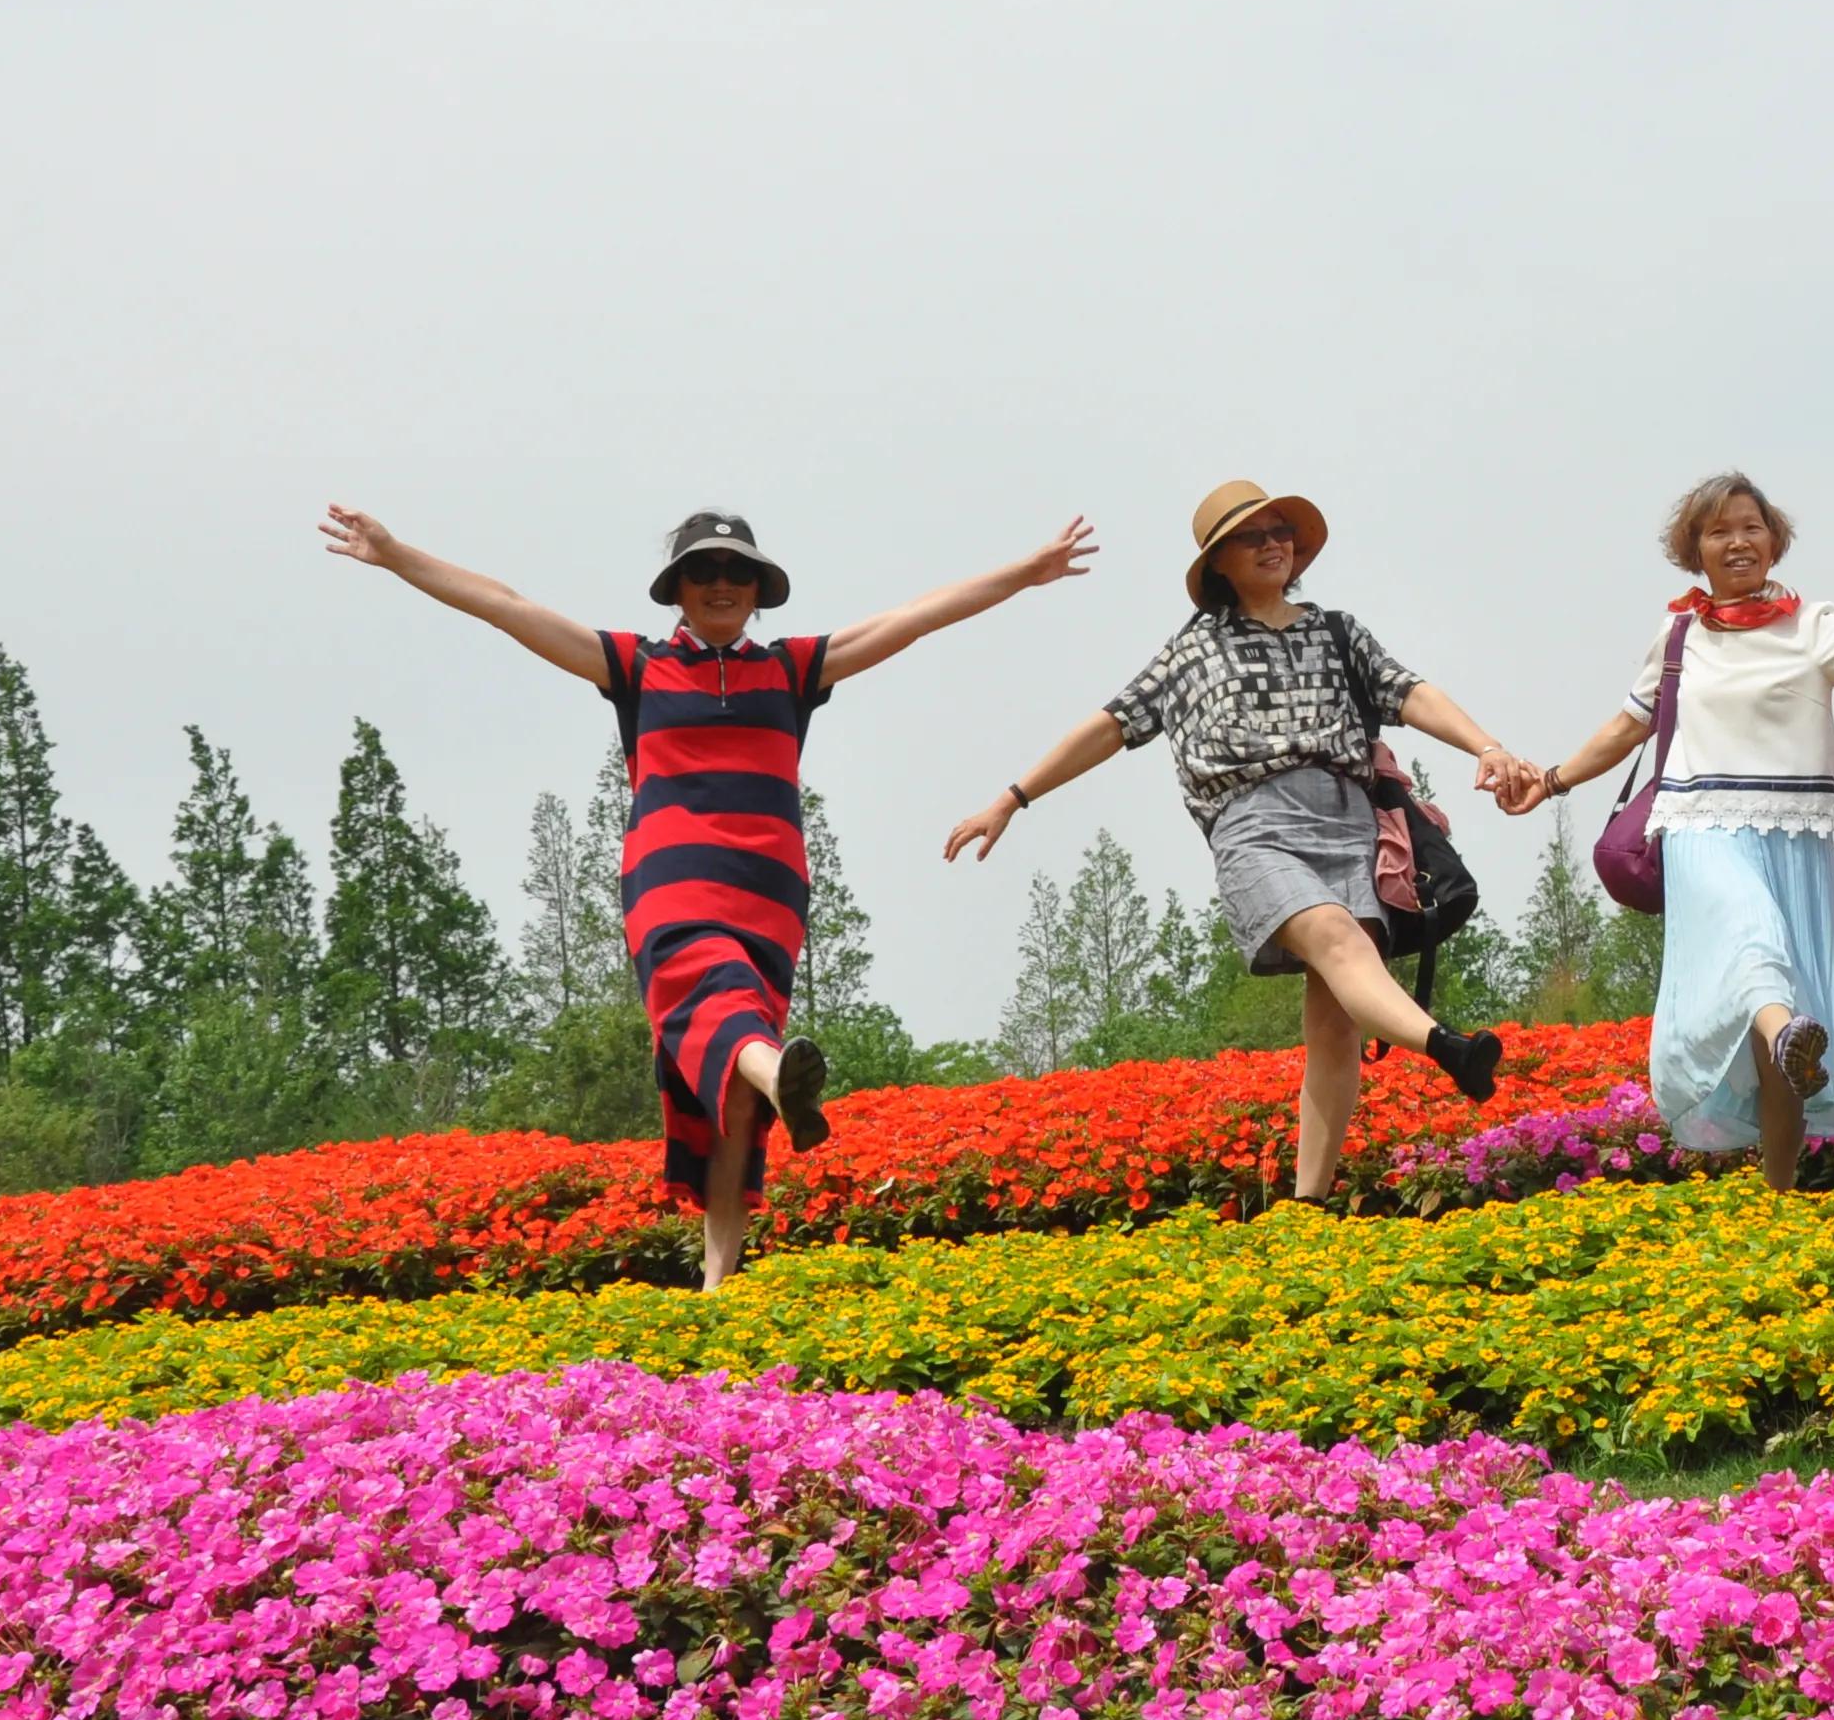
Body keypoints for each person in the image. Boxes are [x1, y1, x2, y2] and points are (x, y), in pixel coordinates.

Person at [320, 501, 1094, 1286]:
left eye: (736, 572)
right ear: (677, 588)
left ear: (758, 589)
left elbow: (914, 618)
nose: (720, 584)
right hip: (670, 874)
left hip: (769, 888)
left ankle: (719, 1281)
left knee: (732, 1103)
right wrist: (394, 553)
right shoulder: (635, 666)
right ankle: (774, 1069)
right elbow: (509, 608)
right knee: (710, 993)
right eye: (703, 571)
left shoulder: (792, 669)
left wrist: (1027, 574)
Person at [946, 481, 1531, 1205]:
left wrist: (1487, 744)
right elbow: (1109, 726)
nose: (1273, 544)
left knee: (1335, 1021)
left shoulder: (1338, 631)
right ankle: (1448, 1047)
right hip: (1254, 823)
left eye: (1282, 531)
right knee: (1337, 938)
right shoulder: (1193, 649)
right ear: (1218, 561)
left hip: (1350, 820)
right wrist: (1011, 798)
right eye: (1252, 536)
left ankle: (1308, 1205)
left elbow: (1409, 691)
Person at [1502, 473, 1834, 1193]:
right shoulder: (1678, 634)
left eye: (1751, 527)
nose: (1738, 541)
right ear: (1694, 550)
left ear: (1774, 540)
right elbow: (1625, 726)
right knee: (1750, 938)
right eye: (1719, 530)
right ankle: (1787, 1034)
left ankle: (1780, 1198)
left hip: (1796, 836)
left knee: (1787, 1018)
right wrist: (1550, 782)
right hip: (1701, 823)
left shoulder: (1812, 623)